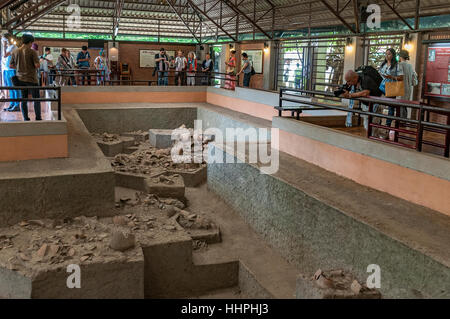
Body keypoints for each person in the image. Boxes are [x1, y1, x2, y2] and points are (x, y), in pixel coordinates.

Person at [341, 69, 384, 137]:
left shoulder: (365, 79)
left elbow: (365, 92)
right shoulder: (355, 80)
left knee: (373, 124)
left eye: (349, 81)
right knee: (367, 124)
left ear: (355, 78)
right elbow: (348, 88)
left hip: (377, 102)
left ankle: (375, 139)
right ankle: (381, 136)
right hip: (367, 105)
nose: (348, 83)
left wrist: (350, 95)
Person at [9, 34, 41, 121]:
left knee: (24, 99)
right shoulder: (32, 52)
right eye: (32, 43)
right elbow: (37, 65)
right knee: (36, 99)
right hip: (32, 79)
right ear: (30, 42)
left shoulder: (15, 51)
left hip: (20, 79)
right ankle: (38, 118)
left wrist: (19, 67)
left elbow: (11, 65)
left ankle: (26, 118)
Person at [379, 48, 403, 128]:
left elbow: (401, 78)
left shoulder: (397, 65)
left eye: (389, 54)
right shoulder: (383, 64)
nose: (387, 55)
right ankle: (378, 121)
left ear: (393, 55)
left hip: (392, 86)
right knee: (378, 104)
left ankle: (388, 125)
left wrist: (391, 77)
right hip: (382, 86)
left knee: (390, 107)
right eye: (386, 54)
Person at [2, 34, 21, 112]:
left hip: (12, 70)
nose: (3, 41)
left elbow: (5, 55)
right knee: (10, 89)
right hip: (7, 70)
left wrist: (4, 46)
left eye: (4, 40)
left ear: (7, 40)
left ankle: (17, 105)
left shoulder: (13, 47)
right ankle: (12, 104)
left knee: (15, 88)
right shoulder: (9, 47)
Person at [398, 49, 418, 116]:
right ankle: (404, 122)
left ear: (400, 56)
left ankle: (399, 122)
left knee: (399, 106)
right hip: (408, 89)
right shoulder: (410, 66)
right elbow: (414, 78)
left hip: (399, 89)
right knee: (404, 106)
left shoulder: (399, 65)